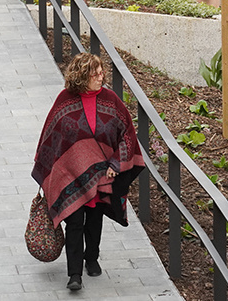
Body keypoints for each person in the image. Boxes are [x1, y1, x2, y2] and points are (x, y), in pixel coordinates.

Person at [32, 53, 145, 291]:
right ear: (81, 76)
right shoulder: (65, 100)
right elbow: (51, 137)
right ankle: (74, 274)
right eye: (94, 74)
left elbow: (127, 134)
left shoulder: (111, 99)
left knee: (94, 220)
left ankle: (91, 257)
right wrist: (50, 172)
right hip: (70, 176)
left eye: (101, 72)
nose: (100, 77)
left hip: (102, 175)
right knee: (73, 222)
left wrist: (116, 163)